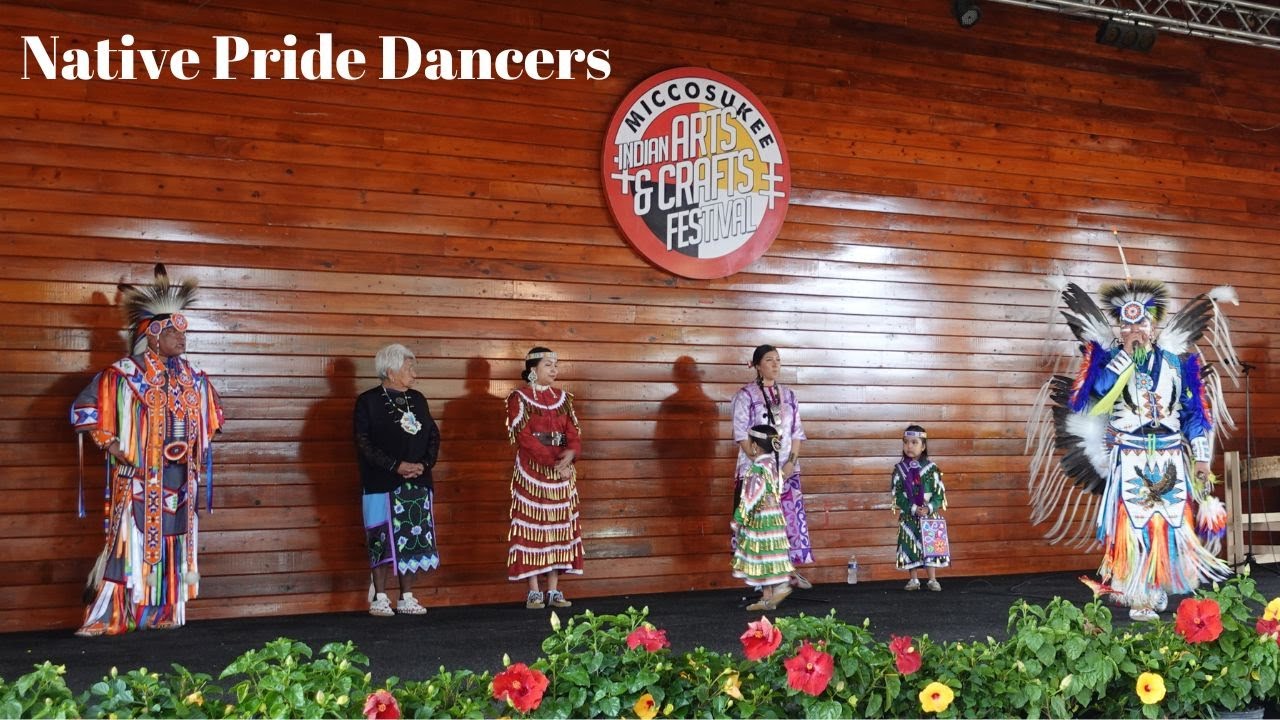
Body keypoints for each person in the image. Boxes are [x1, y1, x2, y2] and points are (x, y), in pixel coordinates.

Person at [1028, 277, 1237, 621]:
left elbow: (1194, 414)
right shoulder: (1110, 361)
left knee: (1170, 522)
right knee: (1136, 524)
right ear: (1120, 331)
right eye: (1126, 326)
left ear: (1153, 328)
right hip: (1130, 455)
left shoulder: (1175, 364)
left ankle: (1158, 583)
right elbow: (1096, 391)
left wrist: (1201, 458)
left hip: (1170, 455)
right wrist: (1124, 357)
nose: (1134, 330)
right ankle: (1138, 591)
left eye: (1141, 324)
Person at [69, 264, 225, 636]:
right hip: (140, 477)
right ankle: (110, 615)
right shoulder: (123, 375)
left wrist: (195, 444)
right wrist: (112, 444)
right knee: (127, 544)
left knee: (175, 543)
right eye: (173, 332)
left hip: (180, 479)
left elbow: (214, 416)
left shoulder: (193, 378)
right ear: (153, 335)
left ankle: (162, 612)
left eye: (183, 332)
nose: (182, 339)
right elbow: (84, 410)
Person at [354, 343, 441, 617]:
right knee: (380, 538)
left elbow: (433, 435)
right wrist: (396, 466)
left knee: (412, 539)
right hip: (381, 482)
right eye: (408, 368)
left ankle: (406, 597)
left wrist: (423, 465)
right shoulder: (368, 402)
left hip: (417, 481)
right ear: (391, 372)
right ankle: (380, 597)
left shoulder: (418, 399)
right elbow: (364, 443)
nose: (414, 373)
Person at [506, 346, 583, 609]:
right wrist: (555, 463)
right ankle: (533, 591)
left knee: (559, 527)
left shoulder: (563, 398)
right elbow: (524, 437)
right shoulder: (519, 398)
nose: (554, 370)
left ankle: (553, 589)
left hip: (561, 472)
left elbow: (572, 433)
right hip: (533, 472)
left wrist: (571, 454)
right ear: (533, 369)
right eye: (548, 365)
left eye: (556, 365)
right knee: (533, 526)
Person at [731, 345, 813, 588]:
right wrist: (763, 465)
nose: (775, 364)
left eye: (778, 360)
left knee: (787, 522)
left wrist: (790, 463)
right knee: (759, 524)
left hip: (786, 472)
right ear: (757, 365)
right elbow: (741, 435)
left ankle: (788, 571)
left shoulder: (789, 395)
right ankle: (761, 579)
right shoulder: (745, 395)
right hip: (756, 471)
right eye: (769, 360)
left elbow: (797, 432)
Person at [732, 424, 794, 611]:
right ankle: (767, 599)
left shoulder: (757, 469)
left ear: (754, 446)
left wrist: (739, 518)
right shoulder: (773, 466)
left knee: (763, 555)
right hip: (774, 516)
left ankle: (780, 586)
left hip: (761, 519)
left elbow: (751, 497)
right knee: (769, 553)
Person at [891, 425, 948, 591]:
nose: (909, 446)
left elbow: (939, 494)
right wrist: (913, 508)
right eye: (906, 442)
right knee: (910, 545)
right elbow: (897, 495)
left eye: (914, 442)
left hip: (929, 515)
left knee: (930, 545)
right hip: (909, 515)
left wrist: (929, 507)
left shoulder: (932, 469)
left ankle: (932, 579)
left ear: (923, 446)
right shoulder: (899, 470)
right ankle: (914, 579)